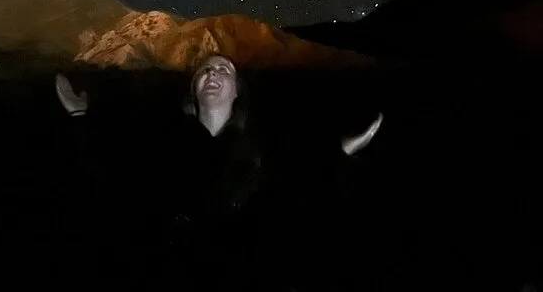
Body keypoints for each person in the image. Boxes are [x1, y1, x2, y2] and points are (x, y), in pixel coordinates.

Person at [55, 54, 384, 290]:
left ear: (237, 90)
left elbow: (299, 195)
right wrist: (80, 118)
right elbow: (112, 181)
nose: (212, 73)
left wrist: (342, 152)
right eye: (205, 70)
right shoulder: (164, 147)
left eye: (223, 69)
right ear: (194, 89)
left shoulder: (258, 153)